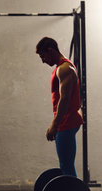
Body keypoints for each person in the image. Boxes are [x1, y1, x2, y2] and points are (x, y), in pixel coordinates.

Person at [36, 37, 84, 177]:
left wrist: (55, 125)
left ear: (50, 51)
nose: (43, 60)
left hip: (66, 122)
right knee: (66, 165)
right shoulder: (63, 68)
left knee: (66, 165)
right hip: (67, 120)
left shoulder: (64, 69)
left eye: (43, 56)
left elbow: (64, 99)